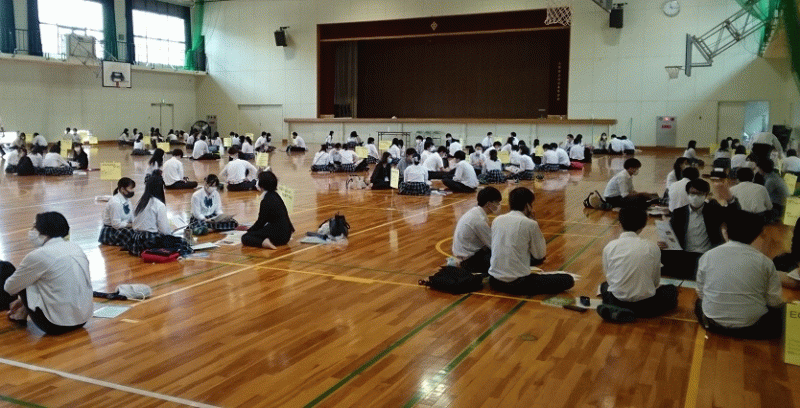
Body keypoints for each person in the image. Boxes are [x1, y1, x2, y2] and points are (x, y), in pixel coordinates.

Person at [695, 210, 784, 339]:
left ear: (726, 232)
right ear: (757, 235)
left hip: (712, 323)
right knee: (782, 313)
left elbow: (701, 292)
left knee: (699, 303)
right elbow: (774, 301)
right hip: (752, 327)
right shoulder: (765, 262)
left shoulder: (708, 256)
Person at [2, 212, 92, 335]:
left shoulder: (39, 255)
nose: (31, 231)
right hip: (83, 319)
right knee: (39, 277)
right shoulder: (76, 248)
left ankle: (20, 314)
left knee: (26, 278)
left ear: (44, 231)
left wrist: (22, 298)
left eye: (34, 227)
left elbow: (9, 287)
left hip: (54, 325)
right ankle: (22, 310)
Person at [488, 187, 575, 295]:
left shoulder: (497, 220)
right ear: (527, 205)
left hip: (494, 281)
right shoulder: (530, 224)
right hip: (518, 283)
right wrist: (535, 223)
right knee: (567, 280)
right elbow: (540, 255)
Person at [599, 208, 677, 321]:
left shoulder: (609, 247)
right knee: (671, 290)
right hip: (646, 306)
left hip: (617, 301)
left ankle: (616, 310)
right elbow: (655, 282)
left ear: (620, 224)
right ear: (643, 226)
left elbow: (610, 279)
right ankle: (629, 312)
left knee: (605, 286)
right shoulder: (652, 247)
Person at [660, 179, 737, 279]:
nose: (695, 197)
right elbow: (672, 238)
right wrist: (666, 243)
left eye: (699, 194)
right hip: (685, 256)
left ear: (706, 195)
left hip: (707, 256)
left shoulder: (714, 210)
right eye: (692, 193)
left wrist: (730, 199)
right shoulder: (678, 213)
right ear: (687, 194)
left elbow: (735, 216)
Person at [127, 172, 193, 257]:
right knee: (181, 242)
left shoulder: (139, 203)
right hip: (148, 240)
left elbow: (134, 223)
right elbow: (164, 231)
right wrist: (170, 233)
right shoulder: (158, 204)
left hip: (135, 239)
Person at [452, 187, 502, 274]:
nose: (498, 205)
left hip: (465, 255)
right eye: (497, 202)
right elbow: (493, 245)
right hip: (469, 261)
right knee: (502, 258)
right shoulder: (478, 220)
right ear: (488, 204)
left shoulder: (475, 213)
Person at [241, 171, 295, 249]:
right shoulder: (276, 195)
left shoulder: (266, 200)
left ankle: (263, 243)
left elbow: (261, 222)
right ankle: (266, 240)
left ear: (262, 184)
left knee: (245, 237)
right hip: (286, 235)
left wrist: (250, 231)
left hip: (278, 236)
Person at [99, 177, 136, 247]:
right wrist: (131, 225)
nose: (132, 191)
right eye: (130, 188)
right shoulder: (115, 202)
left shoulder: (127, 200)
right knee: (132, 236)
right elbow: (116, 225)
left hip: (123, 226)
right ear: (122, 189)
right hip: (112, 230)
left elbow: (131, 216)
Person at [757, 159, 788, 223]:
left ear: (761, 169)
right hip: (782, 206)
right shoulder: (774, 176)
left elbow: (763, 197)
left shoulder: (770, 181)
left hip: (778, 209)